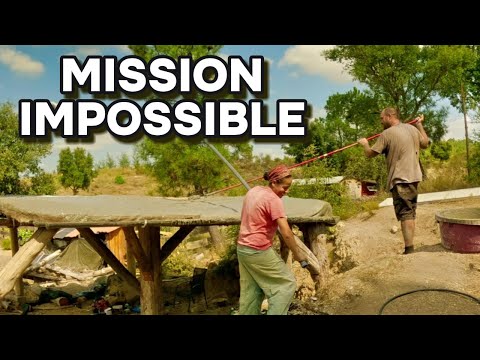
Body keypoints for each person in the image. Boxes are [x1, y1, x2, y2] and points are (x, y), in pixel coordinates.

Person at [236, 164, 307, 315]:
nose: (286, 192)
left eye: (289, 188)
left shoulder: (253, 191)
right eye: (285, 187)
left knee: (252, 292)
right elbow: (286, 232)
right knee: (286, 284)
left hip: (242, 248)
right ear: (273, 182)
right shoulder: (273, 200)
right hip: (257, 250)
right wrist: (298, 254)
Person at [358, 107, 429, 255]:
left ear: (390, 116)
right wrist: (419, 124)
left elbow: (371, 154)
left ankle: (409, 249)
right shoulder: (412, 128)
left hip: (400, 179)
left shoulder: (387, 134)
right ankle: (409, 247)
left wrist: (365, 144)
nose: (381, 121)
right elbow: (425, 143)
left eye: (382, 118)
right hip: (414, 177)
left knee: (406, 214)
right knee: (410, 212)